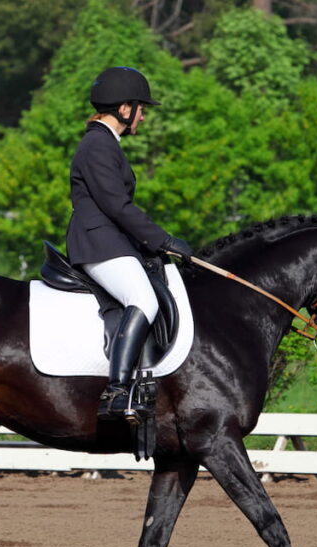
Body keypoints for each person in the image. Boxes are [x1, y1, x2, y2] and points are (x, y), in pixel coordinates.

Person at [66, 66, 194, 421]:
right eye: (141, 108)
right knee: (143, 299)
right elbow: (116, 206)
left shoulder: (104, 143)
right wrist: (163, 240)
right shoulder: (97, 145)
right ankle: (118, 391)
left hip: (110, 241)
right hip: (99, 243)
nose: (143, 116)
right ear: (125, 109)